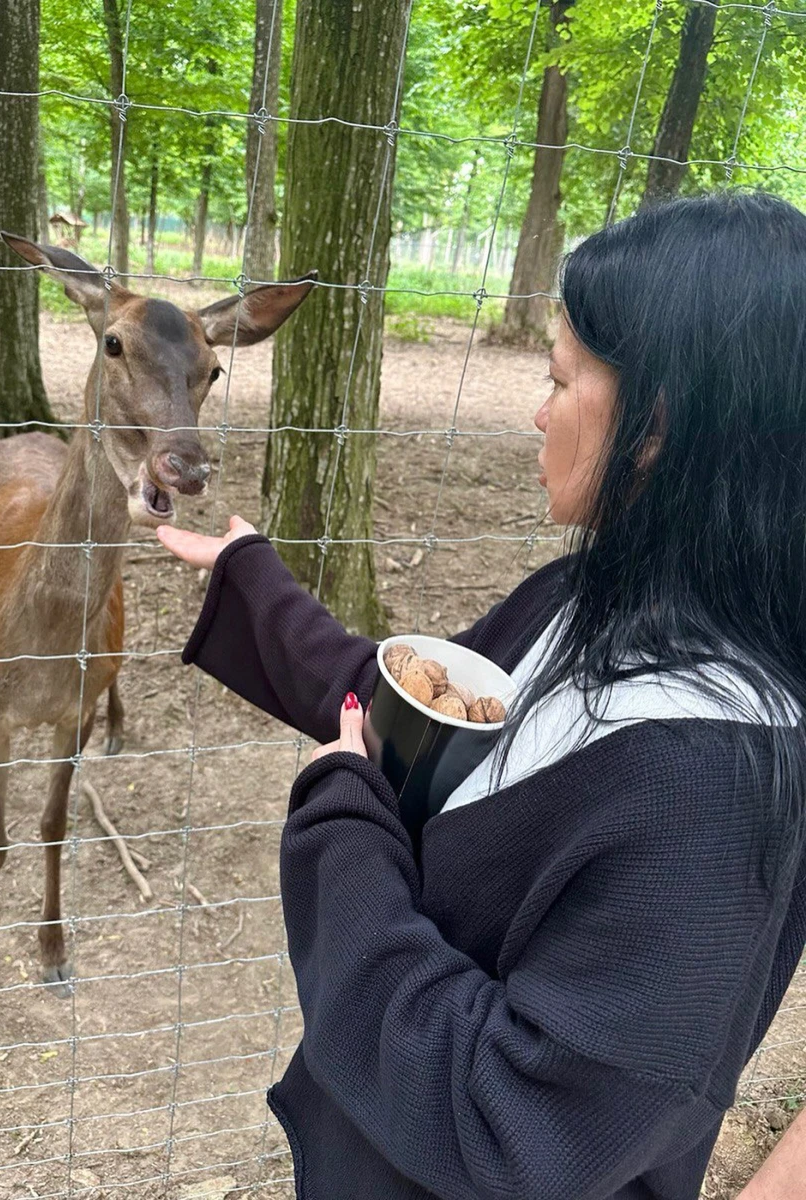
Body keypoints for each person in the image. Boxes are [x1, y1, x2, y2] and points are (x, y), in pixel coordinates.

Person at [156, 191, 806, 1200]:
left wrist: (339, 820)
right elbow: (419, 713)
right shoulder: (595, 599)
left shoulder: (710, 803)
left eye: (560, 380)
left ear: (657, 428)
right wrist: (253, 577)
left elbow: (514, 1134)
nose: (538, 412)